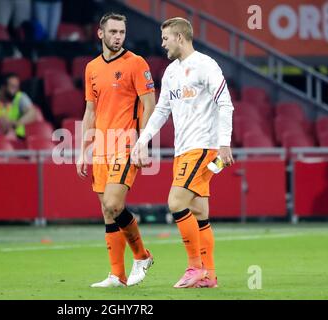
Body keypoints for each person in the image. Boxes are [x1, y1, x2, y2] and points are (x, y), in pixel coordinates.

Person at [132, 17, 235, 288]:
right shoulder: (171, 72)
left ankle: (194, 267)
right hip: (184, 149)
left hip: (204, 146)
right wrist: (142, 140)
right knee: (199, 211)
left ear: (180, 37)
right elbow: (161, 111)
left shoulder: (206, 65)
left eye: (166, 38)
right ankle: (209, 275)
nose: (162, 43)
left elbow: (225, 104)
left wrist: (224, 142)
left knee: (176, 203)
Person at [77, 13, 156, 287]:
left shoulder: (136, 63)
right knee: (107, 211)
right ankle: (117, 275)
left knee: (113, 203)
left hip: (127, 143)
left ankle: (143, 256)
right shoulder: (91, 68)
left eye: (121, 32)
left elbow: (149, 105)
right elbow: (90, 111)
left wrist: (144, 143)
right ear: (100, 34)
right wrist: (83, 148)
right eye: (112, 32)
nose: (117, 36)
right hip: (101, 145)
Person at [0, 73, 38, 139]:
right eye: (12, 87)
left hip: (18, 137)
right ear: (3, 87)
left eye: (17, 87)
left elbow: (32, 113)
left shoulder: (20, 97)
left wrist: (17, 123)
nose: (15, 90)